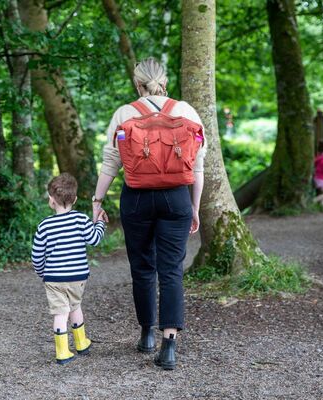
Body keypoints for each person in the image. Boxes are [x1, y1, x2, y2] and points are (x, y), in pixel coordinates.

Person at [92, 57, 206, 370]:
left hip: (137, 199)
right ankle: (169, 345)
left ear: (137, 82)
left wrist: (96, 202)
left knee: (142, 268)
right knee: (171, 269)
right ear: (164, 80)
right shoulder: (186, 111)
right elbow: (197, 167)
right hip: (175, 198)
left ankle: (146, 335)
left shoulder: (124, 113)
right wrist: (193, 207)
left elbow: (109, 164)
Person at [31, 173, 106, 365]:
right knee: (75, 306)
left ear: (51, 201)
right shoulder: (81, 219)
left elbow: (37, 256)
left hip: (54, 279)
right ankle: (81, 343)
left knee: (60, 313)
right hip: (77, 277)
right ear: (75, 199)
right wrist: (101, 224)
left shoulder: (44, 226)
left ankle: (63, 351)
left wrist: (42, 273)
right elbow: (94, 239)